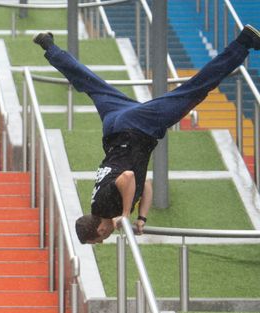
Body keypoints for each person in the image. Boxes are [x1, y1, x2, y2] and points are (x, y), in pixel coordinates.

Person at [32, 25, 260, 244]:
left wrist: (125, 215)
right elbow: (145, 184)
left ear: (100, 230)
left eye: (100, 239)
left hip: (137, 129)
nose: (104, 240)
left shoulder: (107, 208)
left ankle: (244, 42)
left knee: (195, 89)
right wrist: (141, 217)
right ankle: (49, 45)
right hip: (114, 125)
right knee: (89, 82)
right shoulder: (98, 204)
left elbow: (128, 177)